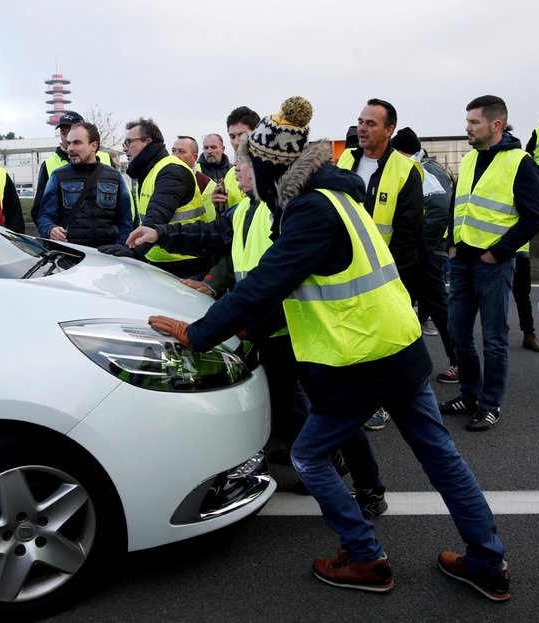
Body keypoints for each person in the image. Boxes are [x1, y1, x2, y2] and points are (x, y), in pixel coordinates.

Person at [147, 96, 508, 600]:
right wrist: (251, 330)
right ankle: (488, 563)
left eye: (253, 167)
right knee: (441, 457)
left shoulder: (310, 211)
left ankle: (366, 558)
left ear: (275, 172)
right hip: (399, 346)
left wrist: (199, 333)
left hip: (360, 359)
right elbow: (302, 284)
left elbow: (268, 282)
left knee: (310, 456)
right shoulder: (336, 195)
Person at [128, 128, 384, 516]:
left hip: (294, 327)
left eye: (244, 166)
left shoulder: (280, 212)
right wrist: (160, 232)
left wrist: (245, 323)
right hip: (264, 326)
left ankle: (364, 485)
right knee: (295, 403)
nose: (238, 173)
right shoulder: (244, 209)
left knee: (325, 408)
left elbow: (280, 280)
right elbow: (211, 235)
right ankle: (328, 464)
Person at [439, 96, 539, 431]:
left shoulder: (519, 162)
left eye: (473, 122)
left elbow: (535, 217)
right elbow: (459, 204)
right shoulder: (470, 159)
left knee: (495, 338)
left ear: (495, 125)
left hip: (493, 264)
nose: (467, 127)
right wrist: (452, 245)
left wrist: (499, 252)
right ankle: (470, 395)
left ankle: (490, 404)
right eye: (468, 121)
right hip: (462, 261)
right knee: (457, 333)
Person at [337, 99, 424, 431]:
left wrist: (391, 280)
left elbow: (408, 234)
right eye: (360, 121)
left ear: (389, 130)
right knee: (351, 340)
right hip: (344, 270)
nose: (362, 127)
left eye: (371, 123)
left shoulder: (407, 170)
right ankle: (358, 401)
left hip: (384, 277)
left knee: (381, 345)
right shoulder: (345, 159)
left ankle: (381, 404)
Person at [389, 127, 459, 384]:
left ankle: (459, 362)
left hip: (426, 254)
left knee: (439, 311)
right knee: (410, 310)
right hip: (423, 252)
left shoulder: (426, 169)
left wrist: (421, 246)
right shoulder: (421, 167)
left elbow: (440, 208)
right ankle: (411, 367)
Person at [114, 117, 214, 278]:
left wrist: (134, 251)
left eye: (128, 142)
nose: (124, 148)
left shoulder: (172, 170)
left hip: (185, 266)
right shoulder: (149, 171)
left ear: (147, 142)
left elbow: (157, 215)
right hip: (159, 262)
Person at [36, 121, 133, 248]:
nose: (70, 148)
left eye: (77, 143)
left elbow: (126, 221)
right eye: (69, 143)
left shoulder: (114, 176)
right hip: (71, 256)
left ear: (93, 146)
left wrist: (119, 249)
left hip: (108, 257)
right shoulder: (58, 176)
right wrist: (50, 229)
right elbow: (44, 216)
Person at [32, 111, 110, 224]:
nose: (67, 137)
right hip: (65, 238)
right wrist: (50, 230)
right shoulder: (49, 165)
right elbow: (39, 210)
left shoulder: (106, 159)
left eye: (70, 132)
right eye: (63, 133)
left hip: (105, 238)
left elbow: (125, 207)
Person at [171, 135, 217, 215]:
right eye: (173, 151)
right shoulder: (161, 178)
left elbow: (210, 218)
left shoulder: (206, 184)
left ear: (194, 157)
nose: (175, 155)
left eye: (181, 151)